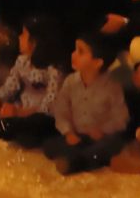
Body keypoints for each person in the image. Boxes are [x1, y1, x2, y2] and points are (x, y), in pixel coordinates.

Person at [0, 14, 67, 147]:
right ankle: (4, 127)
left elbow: (51, 105)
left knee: (34, 123)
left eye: (23, 34)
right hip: (18, 111)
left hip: (37, 116)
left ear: (34, 42)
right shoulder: (22, 61)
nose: (20, 38)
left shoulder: (54, 69)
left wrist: (20, 112)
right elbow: (9, 88)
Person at [45, 33, 130, 175]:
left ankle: (76, 161)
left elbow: (121, 118)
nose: (74, 54)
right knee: (49, 145)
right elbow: (61, 111)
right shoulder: (70, 82)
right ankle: (76, 158)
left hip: (99, 138)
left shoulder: (112, 86)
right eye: (75, 50)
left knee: (109, 146)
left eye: (81, 52)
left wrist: (103, 130)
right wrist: (68, 132)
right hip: (77, 137)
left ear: (98, 62)